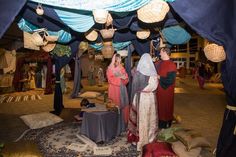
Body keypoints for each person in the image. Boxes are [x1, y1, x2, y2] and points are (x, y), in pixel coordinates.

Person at [127, 53, 158, 151]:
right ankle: (150, 139)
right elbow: (155, 89)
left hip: (141, 98)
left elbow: (135, 88)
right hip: (151, 98)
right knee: (150, 119)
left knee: (141, 119)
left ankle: (139, 141)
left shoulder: (139, 73)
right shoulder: (154, 74)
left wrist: (132, 100)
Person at [155, 47, 177, 129]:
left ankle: (166, 124)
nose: (159, 54)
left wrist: (159, 77)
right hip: (159, 91)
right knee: (159, 108)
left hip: (166, 91)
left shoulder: (172, 65)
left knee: (166, 108)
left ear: (165, 52)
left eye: (161, 52)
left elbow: (170, 80)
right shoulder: (160, 63)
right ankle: (160, 123)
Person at [106, 53, 129, 125]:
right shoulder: (110, 69)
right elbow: (110, 79)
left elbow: (126, 78)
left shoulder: (121, 67)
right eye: (117, 60)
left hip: (122, 89)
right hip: (114, 89)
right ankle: (114, 122)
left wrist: (125, 78)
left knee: (123, 104)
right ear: (114, 60)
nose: (119, 62)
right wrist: (120, 78)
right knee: (115, 105)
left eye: (120, 60)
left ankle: (123, 121)